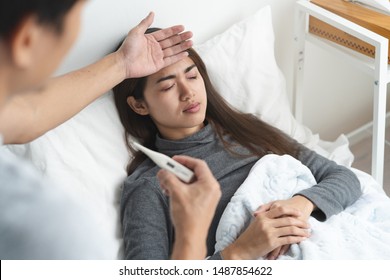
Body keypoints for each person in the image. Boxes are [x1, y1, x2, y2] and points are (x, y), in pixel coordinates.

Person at [112, 32, 362, 260]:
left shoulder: (246, 130)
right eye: (168, 86)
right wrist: (241, 250)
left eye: (191, 75)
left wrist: (299, 205)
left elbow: (343, 177)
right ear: (139, 105)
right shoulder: (150, 187)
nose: (188, 92)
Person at [0, 0, 195, 259]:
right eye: (79, 15)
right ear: (26, 39)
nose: (187, 92)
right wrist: (202, 238)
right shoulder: (49, 230)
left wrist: (123, 63)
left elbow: (28, 113)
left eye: (192, 76)